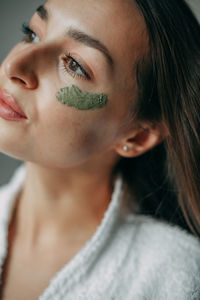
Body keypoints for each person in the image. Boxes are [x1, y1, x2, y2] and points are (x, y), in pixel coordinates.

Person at [0, 0, 199, 299]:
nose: (15, 65)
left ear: (138, 136)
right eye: (32, 34)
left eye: (75, 65)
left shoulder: (173, 276)